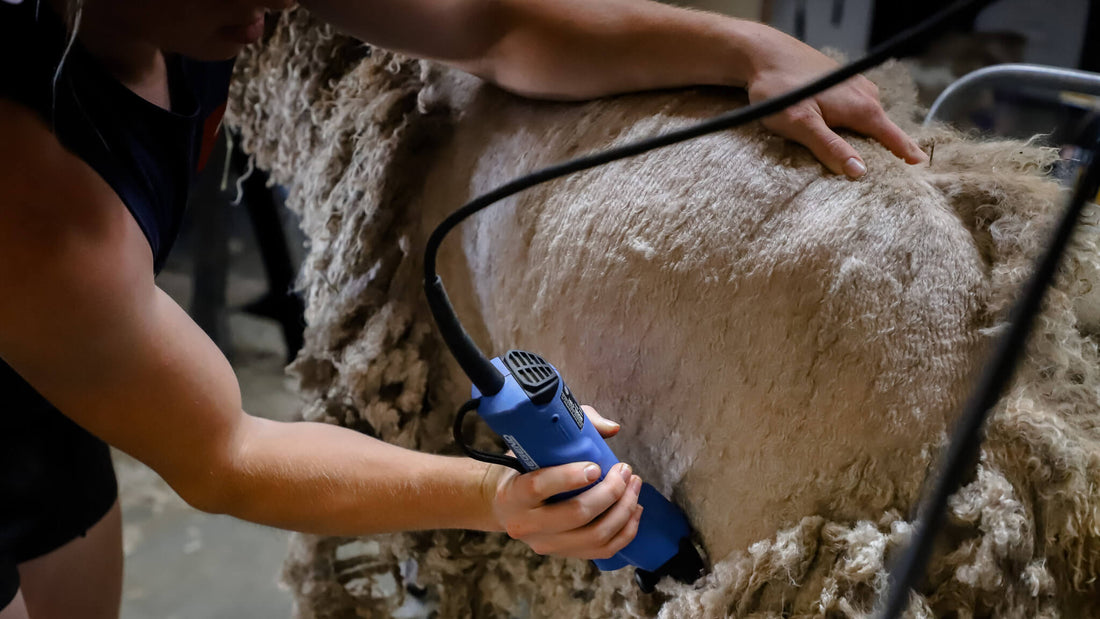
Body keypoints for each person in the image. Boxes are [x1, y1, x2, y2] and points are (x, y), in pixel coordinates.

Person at [0, 0, 928, 617]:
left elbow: (498, 31)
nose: (268, 10)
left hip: (48, 393)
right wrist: (495, 495)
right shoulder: (35, 203)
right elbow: (225, 454)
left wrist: (749, 49)